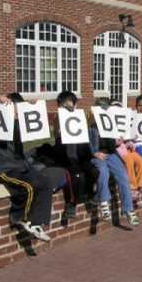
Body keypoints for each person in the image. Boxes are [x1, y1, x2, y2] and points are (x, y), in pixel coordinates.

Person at [0, 93, 67, 241]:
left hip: (20, 166)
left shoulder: (18, 123)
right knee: (27, 187)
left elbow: (36, 127)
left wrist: (33, 108)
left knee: (45, 183)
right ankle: (20, 218)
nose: (17, 113)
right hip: (1, 169)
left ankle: (36, 223)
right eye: (16, 109)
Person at [87, 99, 139, 225]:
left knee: (123, 176)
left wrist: (117, 142)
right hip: (96, 155)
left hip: (110, 154)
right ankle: (104, 202)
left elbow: (111, 145)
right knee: (103, 172)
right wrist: (94, 153)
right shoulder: (90, 125)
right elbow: (85, 143)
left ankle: (128, 209)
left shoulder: (111, 124)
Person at [53, 91, 97, 219]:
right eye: (63, 106)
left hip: (81, 154)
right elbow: (57, 133)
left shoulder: (80, 118)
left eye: (69, 106)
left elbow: (89, 129)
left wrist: (91, 119)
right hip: (66, 157)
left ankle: (91, 196)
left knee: (93, 171)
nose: (66, 109)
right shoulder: (58, 119)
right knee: (75, 175)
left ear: (75, 106)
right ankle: (71, 203)